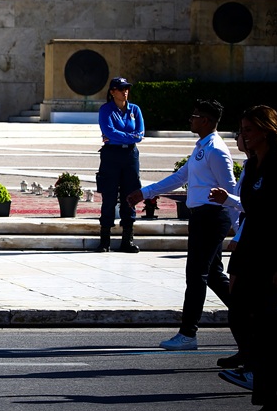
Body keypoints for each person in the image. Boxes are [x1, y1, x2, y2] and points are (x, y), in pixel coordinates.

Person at [128, 99, 236, 351]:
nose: (191, 119)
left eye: (195, 115)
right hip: (201, 217)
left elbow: (229, 191)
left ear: (206, 121)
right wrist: (145, 192)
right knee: (214, 276)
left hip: (212, 217)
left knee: (196, 274)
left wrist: (238, 227)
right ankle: (250, 315)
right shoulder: (202, 147)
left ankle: (188, 333)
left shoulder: (217, 150)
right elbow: (180, 177)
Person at [224, 106, 277, 411]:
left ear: (267, 131)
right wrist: (236, 265)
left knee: (272, 333)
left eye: (249, 130)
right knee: (242, 319)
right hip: (251, 255)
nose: (244, 135)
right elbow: (249, 216)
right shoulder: (253, 165)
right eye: (242, 129)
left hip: (274, 259)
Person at [96, 77, 144, 253]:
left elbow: (140, 134)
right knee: (109, 195)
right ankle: (105, 240)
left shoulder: (135, 110)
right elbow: (108, 131)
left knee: (130, 195)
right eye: (121, 88)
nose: (125, 91)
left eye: (127, 88)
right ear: (112, 92)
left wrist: (124, 136)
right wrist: (128, 135)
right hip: (111, 155)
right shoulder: (106, 110)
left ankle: (127, 240)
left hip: (130, 154)